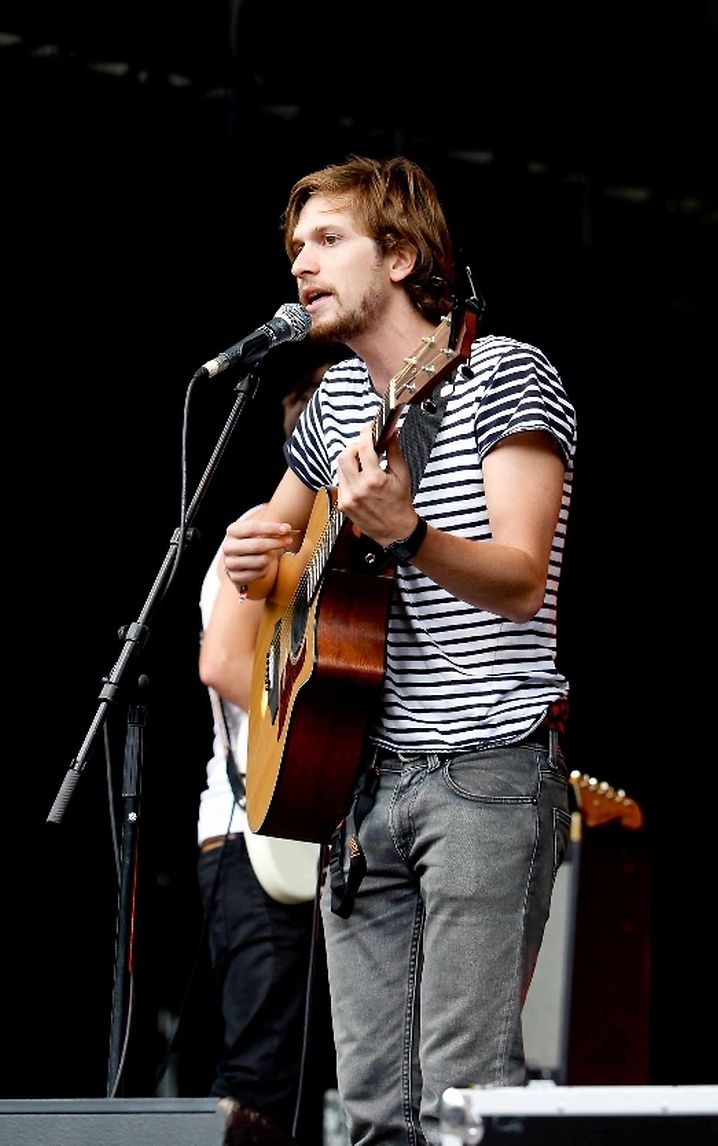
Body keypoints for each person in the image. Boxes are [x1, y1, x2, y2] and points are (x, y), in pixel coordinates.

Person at [221, 154, 577, 1146]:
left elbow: (520, 579)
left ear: (402, 255)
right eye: (295, 247)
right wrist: (253, 559)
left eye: (329, 240)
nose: (302, 263)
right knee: (374, 1112)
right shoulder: (334, 401)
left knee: (462, 1099)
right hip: (358, 782)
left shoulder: (506, 373)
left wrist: (408, 533)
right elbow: (278, 550)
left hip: (484, 769)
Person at [196, 356, 338, 1146]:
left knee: (325, 1083)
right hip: (253, 835)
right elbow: (222, 663)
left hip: (314, 831)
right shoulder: (268, 529)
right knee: (259, 1084)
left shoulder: (345, 539)